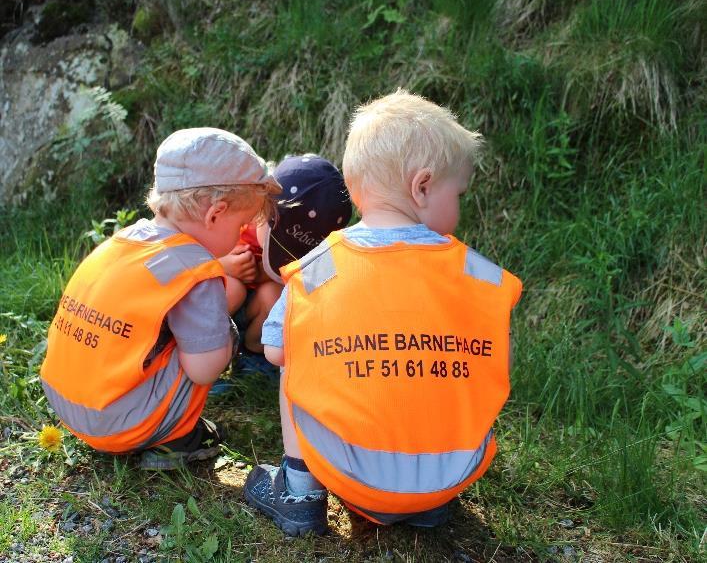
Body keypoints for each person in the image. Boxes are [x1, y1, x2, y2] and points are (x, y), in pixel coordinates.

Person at [243, 90, 523, 536]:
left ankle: (299, 492)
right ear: (423, 186)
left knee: (293, 352)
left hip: (348, 473)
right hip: (449, 477)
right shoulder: (478, 276)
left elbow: (273, 352)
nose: (461, 205)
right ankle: (423, 504)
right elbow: (500, 367)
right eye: (460, 193)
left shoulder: (317, 270)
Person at [39, 127, 281, 470]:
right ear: (215, 214)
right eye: (242, 224)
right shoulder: (197, 271)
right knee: (213, 342)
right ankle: (176, 441)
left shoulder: (123, 241)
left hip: (66, 403)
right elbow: (204, 370)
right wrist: (226, 335)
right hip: (119, 425)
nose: (242, 234)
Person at [210, 154, 352, 392]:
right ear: (263, 208)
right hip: (223, 310)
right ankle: (205, 351)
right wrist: (221, 264)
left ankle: (253, 355)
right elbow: (192, 252)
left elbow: (307, 288)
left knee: (274, 294)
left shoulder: (323, 249)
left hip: (256, 314)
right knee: (232, 289)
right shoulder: (236, 214)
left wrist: (262, 276)